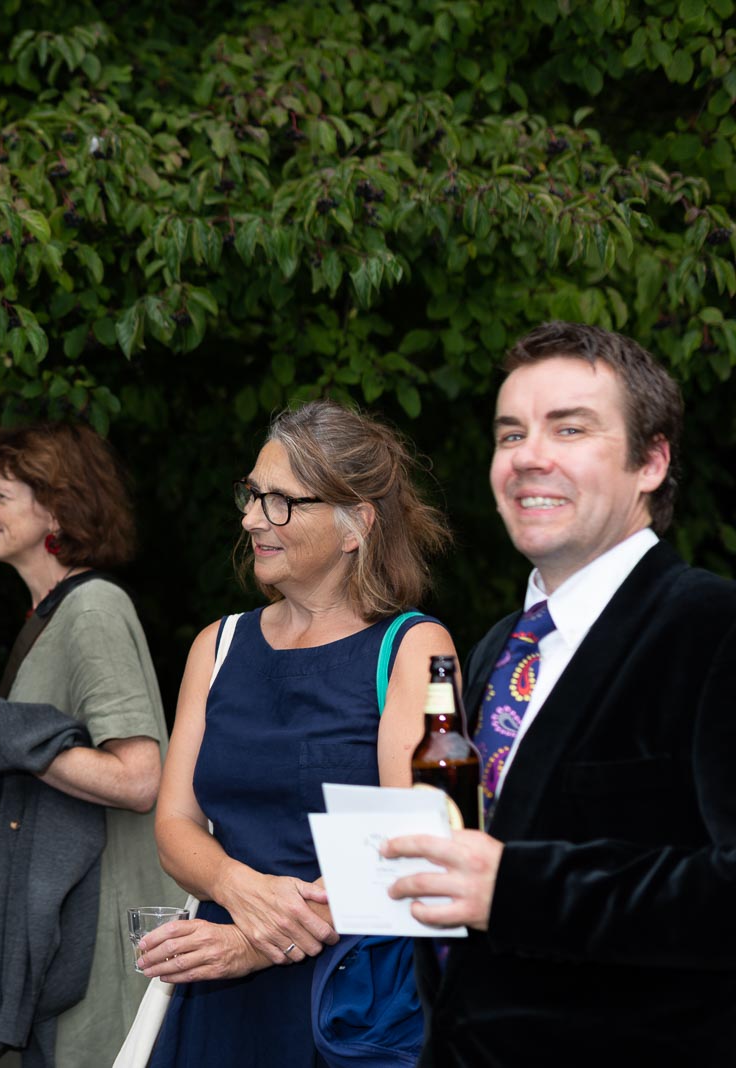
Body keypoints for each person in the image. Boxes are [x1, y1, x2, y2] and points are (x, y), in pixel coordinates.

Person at [384, 322, 736, 1065]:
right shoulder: (496, 650)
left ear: (651, 460)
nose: (529, 457)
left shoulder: (712, 629)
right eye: (510, 435)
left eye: (569, 429)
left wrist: (517, 888)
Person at [137, 400, 456, 1066]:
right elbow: (174, 823)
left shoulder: (414, 647)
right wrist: (234, 887)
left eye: (281, 501)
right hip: (215, 986)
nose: (253, 518)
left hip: (348, 996)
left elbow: (420, 849)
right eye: (253, 496)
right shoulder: (216, 645)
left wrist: (256, 944)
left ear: (353, 526)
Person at [0, 422, 177, 1068]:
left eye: (0, 494)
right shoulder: (52, 615)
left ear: (56, 508)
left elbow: (140, 777)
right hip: (70, 936)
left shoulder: (93, 611)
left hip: (106, 948)